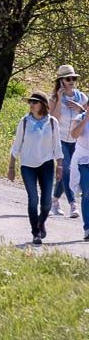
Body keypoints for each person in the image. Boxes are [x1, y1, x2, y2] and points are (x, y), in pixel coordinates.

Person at [7, 92, 63, 246]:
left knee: (46, 202)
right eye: (30, 102)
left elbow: (57, 146)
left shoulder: (52, 123)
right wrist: (11, 167)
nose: (31, 104)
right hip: (27, 165)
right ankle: (36, 232)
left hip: (46, 164)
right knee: (33, 199)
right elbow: (16, 146)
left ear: (43, 105)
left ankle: (41, 221)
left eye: (35, 102)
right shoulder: (24, 122)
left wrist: (60, 165)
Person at [50, 64, 85, 219]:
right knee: (67, 170)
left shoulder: (82, 97)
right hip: (60, 139)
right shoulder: (54, 98)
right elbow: (54, 119)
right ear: (61, 81)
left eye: (73, 78)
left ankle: (55, 200)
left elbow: (87, 115)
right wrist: (58, 101)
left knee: (67, 172)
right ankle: (73, 205)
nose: (71, 81)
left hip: (77, 140)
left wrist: (81, 109)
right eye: (68, 78)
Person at [69, 101, 89, 241]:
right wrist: (86, 118)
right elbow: (74, 135)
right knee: (87, 192)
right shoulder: (80, 118)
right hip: (83, 159)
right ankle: (87, 228)